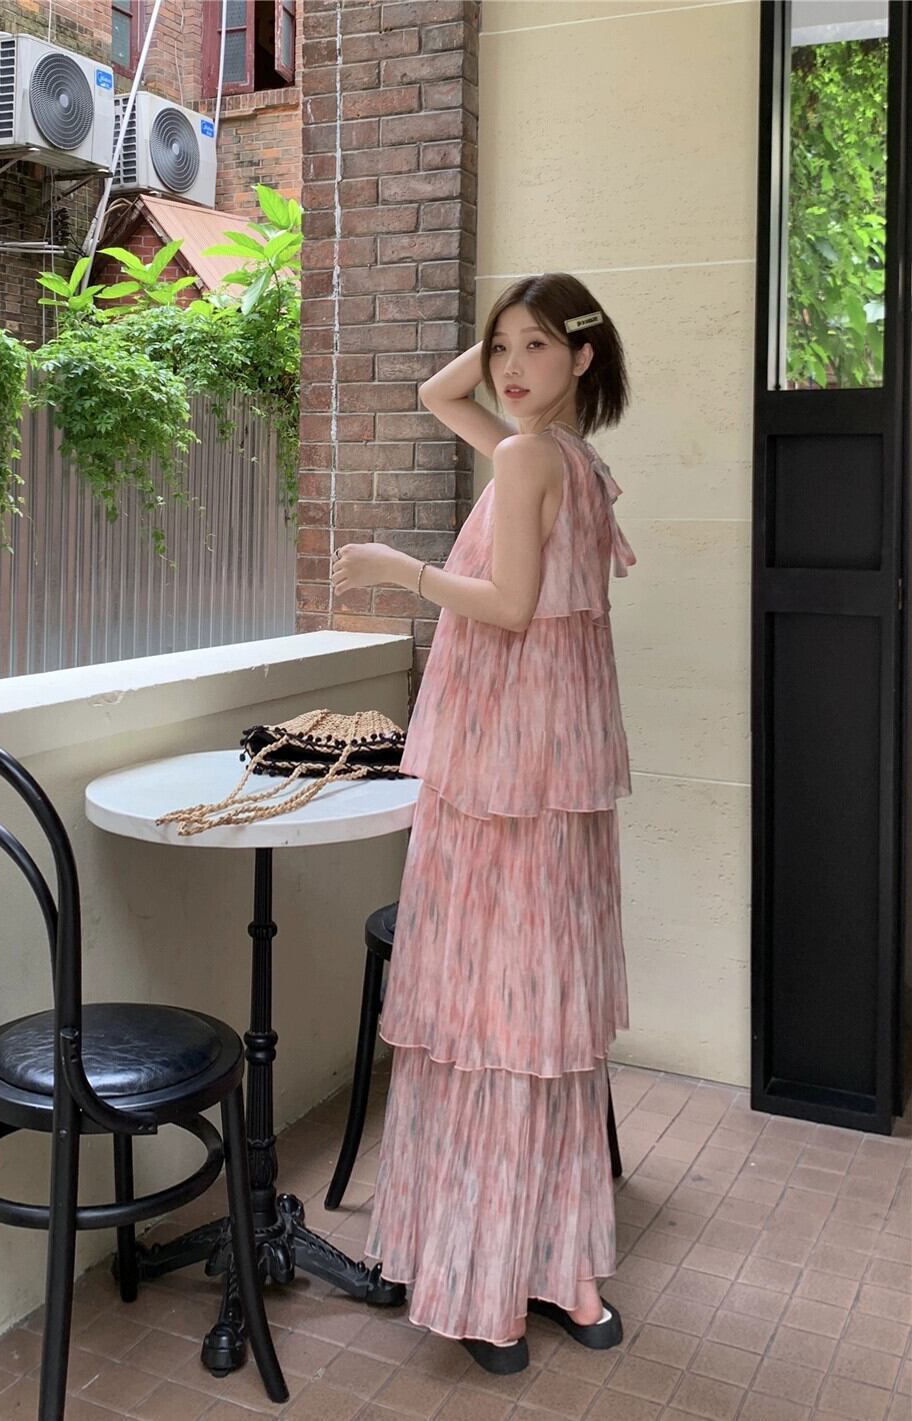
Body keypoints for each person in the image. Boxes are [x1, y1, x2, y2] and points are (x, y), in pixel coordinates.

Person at [328, 271, 635, 1375]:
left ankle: (487, 1283)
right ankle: (561, 1268)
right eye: (501, 346)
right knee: (543, 1019)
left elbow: (506, 608)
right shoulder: (567, 458)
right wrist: (528, 315)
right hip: (550, 771)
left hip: (502, 774)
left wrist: (397, 569)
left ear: (583, 357)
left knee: (491, 1014)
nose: (508, 368)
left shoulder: (529, 459)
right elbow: (436, 392)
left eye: (537, 347)